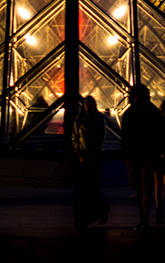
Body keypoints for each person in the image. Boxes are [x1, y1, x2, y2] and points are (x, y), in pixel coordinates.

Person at [119, 84, 165, 229]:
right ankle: (144, 217)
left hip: (140, 155)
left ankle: (144, 218)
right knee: (142, 187)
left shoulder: (130, 113)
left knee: (142, 187)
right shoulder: (153, 112)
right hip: (143, 154)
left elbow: (124, 136)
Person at [70, 95, 108, 229]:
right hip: (84, 155)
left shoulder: (94, 118)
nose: (88, 105)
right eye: (86, 103)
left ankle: (88, 216)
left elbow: (99, 139)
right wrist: (79, 152)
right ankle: (93, 214)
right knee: (87, 189)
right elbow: (75, 136)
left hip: (92, 156)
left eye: (90, 103)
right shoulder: (81, 119)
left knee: (89, 188)